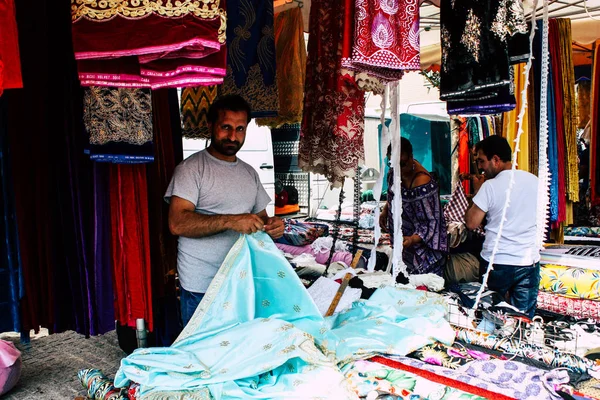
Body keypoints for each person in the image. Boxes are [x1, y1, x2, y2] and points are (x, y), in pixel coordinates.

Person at [165, 94, 285, 326]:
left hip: (241, 283)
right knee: (201, 355)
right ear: (211, 126)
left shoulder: (250, 173)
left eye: (240, 129)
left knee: (237, 352)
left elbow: (261, 219)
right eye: (226, 127)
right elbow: (177, 223)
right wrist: (231, 221)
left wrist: (273, 226)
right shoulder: (191, 169)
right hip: (203, 287)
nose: (233, 136)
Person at [465, 135, 539, 318]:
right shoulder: (534, 181)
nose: (480, 167)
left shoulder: (490, 186)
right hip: (527, 261)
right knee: (523, 320)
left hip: (497, 262)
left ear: (496, 160)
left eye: (482, 161)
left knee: (492, 317)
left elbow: (471, 222)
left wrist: (476, 192)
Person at [380, 138, 448, 276]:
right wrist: (385, 211)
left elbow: (431, 222)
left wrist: (412, 239)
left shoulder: (422, 182)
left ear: (411, 157)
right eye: (392, 164)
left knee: (423, 287)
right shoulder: (394, 172)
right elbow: (393, 194)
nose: (398, 169)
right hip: (404, 242)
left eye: (402, 164)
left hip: (422, 248)